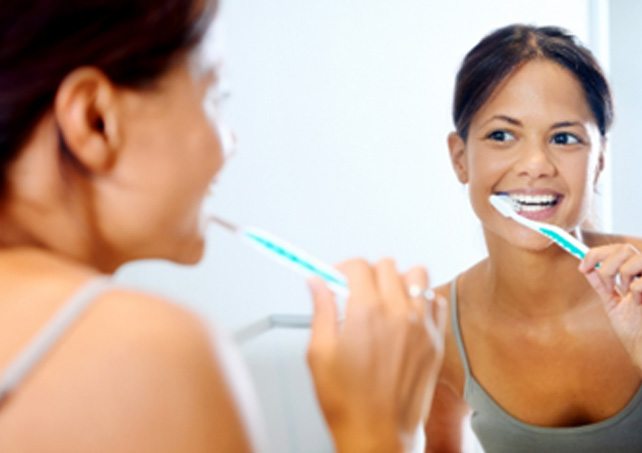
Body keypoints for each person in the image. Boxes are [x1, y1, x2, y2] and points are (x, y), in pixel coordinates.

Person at [0, 1, 447, 451]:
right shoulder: (150, 355)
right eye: (216, 96)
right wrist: (378, 428)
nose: (230, 143)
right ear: (95, 120)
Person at [424, 24, 642, 452]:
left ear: (599, 160)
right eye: (502, 135)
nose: (535, 165)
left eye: (564, 138)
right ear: (459, 158)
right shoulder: (434, 326)